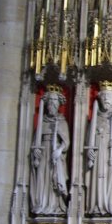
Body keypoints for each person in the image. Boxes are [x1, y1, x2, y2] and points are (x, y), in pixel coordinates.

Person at [85, 81, 112, 216]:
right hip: (99, 153)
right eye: (103, 97)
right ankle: (97, 205)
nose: (105, 100)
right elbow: (89, 139)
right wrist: (89, 151)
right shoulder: (95, 119)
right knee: (98, 177)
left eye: (108, 97)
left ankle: (110, 203)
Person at [30, 84, 70, 215]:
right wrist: (35, 152)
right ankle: (41, 204)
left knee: (54, 179)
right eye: (50, 101)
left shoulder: (62, 122)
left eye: (55, 101)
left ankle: (55, 204)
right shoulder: (43, 122)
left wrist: (59, 150)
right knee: (42, 177)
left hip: (55, 154)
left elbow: (66, 142)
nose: (52, 104)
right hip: (44, 153)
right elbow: (35, 142)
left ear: (59, 104)